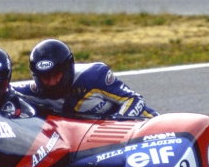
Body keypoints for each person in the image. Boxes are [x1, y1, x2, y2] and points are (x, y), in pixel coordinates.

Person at [13, 39, 158, 118]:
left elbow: (134, 99)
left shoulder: (93, 76)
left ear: (67, 70)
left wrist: (118, 122)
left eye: (56, 75)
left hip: (145, 127)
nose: (52, 83)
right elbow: (4, 91)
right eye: (45, 78)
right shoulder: (30, 92)